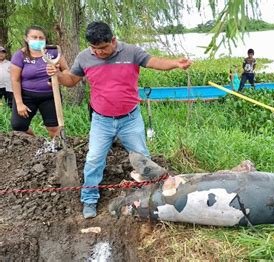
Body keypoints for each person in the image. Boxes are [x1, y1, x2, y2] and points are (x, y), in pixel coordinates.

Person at [47, 21, 192, 219]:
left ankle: (150, 196)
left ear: (113, 40)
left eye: (103, 48)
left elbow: (154, 61)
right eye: (94, 49)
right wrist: (58, 75)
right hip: (101, 121)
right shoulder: (84, 57)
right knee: (94, 160)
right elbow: (71, 80)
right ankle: (89, 199)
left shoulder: (131, 52)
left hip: (130, 119)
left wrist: (175, 64)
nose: (99, 53)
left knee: (142, 158)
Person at [10, 26, 68, 137]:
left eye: (41, 38)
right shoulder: (20, 56)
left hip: (50, 95)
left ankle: (57, 148)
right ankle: (35, 141)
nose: (38, 40)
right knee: (18, 126)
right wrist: (19, 103)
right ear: (26, 38)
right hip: (26, 96)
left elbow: (66, 70)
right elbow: (15, 80)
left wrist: (60, 77)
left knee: (54, 128)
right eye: (34, 37)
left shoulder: (53, 52)